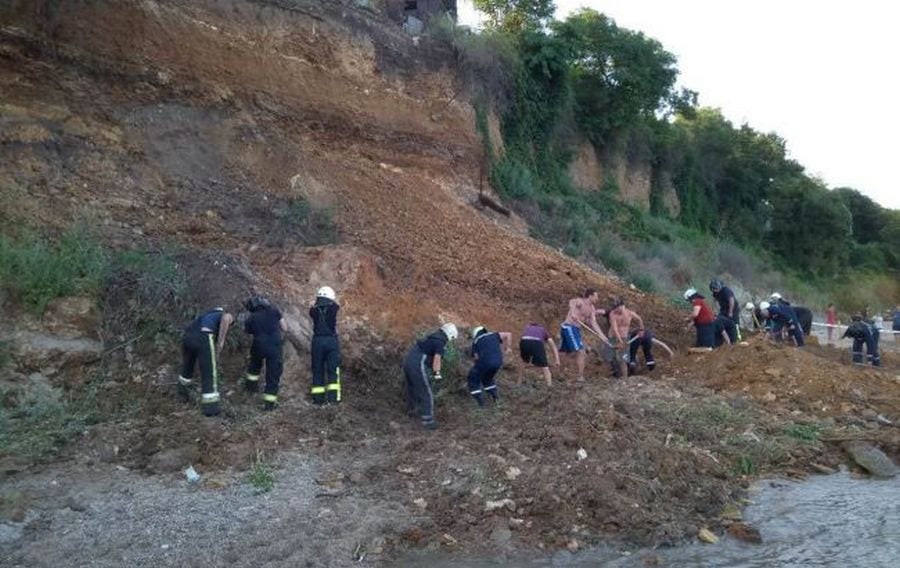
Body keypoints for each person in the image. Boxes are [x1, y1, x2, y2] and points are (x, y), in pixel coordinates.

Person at [178, 306, 234, 417]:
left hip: (188, 336)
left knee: (188, 367)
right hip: (204, 336)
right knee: (209, 372)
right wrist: (220, 343)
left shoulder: (207, 314)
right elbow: (226, 319)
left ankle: (182, 393)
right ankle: (211, 409)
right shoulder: (224, 314)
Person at [403, 323, 458, 430]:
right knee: (426, 393)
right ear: (450, 335)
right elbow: (437, 359)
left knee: (412, 389)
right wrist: (437, 373)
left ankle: (411, 411)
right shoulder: (440, 342)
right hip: (417, 363)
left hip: (408, 361)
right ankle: (428, 421)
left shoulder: (433, 336)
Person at [243, 295, 286, 411]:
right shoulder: (274, 310)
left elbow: (248, 336)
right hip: (274, 346)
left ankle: (250, 389)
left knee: (254, 368)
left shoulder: (250, 318)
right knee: (272, 375)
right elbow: (284, 327)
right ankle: (269, 404)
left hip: (258, 345)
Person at [560, 288, 610, 382]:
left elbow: (594, 323)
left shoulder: (592, 309)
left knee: (568, 353)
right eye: (596, 296)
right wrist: (573, 313)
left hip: (576, 329)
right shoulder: (580, 301)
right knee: (581, 352)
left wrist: (603, 337)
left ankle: (560, 372)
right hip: (569, 327)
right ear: (590, 296)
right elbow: (572, 302)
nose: (597, 298)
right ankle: (580, 377)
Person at [309, 286, 341, 405]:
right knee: (333, 371)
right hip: (331, 341)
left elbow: (312, 309)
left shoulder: (313, 310)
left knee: (317, 370)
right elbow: (336, 305)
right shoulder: (334, 308)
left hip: (317, 342)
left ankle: (318, 399)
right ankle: (333, 400)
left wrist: (317, 303)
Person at [467, 326, 512, 406]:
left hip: (485, 362)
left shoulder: (476, 341)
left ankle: (479, 402)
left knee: (473, 378)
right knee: (487, 378)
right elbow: (508, 334)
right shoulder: (494, 335)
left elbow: (476, 357)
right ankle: (495, 397)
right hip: (498, 362)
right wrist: (507, 348)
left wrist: (477, 366)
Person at [606, 297, 644, 378]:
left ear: (622, 306)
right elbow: (615, 329)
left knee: (623, 358)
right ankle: (615, 372)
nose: (615, 310)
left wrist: (641, 330)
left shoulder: (630, 313)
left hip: (624, 337)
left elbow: (639, 319)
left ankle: (625, 378)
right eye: (614, 308)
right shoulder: (612, 314)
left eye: (616, 307)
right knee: (611, 356)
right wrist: (620, 341)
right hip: (613, 337)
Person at [518, 322, 560, 386]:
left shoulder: (527, 328)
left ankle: (519, 382)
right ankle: (549, 386)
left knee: (523, 360)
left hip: (524, 341)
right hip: (536, 342)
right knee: (545, 366)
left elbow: (522, 338)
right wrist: (557, 360)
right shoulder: (543, 329)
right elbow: (553, 345)